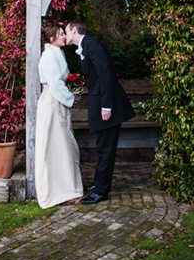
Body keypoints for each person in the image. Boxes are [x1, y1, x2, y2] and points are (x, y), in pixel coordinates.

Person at [65, 20, 135, 204]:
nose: (65, 35)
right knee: (102, 146)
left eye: (66, 31)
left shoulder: (92, 45)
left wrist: (107, 106)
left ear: (74, 30)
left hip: (108, 106)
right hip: (100, 104)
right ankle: (99, 184)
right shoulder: (85, 47)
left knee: (105, 149)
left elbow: (106, 75)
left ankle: (101, 191)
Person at [35, 24, 84, 209]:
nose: (64, 36)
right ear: (51, 38)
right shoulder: (48, 56)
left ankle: (67, 188)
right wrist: (71, 98)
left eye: (64, 33)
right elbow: (55, 84)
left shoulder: (57, 52)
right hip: (52, 103)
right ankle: (56, 192)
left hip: (58, 102)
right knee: (55, 146)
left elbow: (62, 80)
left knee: (64, 147)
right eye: (61, 34)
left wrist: (71, 91)